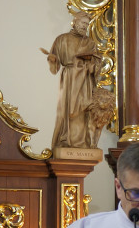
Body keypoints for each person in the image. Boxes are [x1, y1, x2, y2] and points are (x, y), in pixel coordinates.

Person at [42, 11, 101, 149]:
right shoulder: (61, 39)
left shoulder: (90, 42)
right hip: (69, 79)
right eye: (83, 23)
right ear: (74, 22)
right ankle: (65, 140)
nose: (85, 26)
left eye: (87, 24)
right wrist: (52, 59)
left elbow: (97, 64)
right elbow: (55, 67)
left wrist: (92, 65)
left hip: (85, 81)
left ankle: (83, 142)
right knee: (67, 111)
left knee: (83, 110)